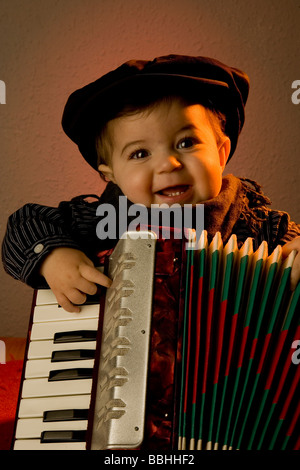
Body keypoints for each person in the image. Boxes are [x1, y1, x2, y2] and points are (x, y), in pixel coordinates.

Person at [2, 54, 300, 313]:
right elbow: (23, 225)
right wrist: (53, 256)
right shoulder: (104, 220)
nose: (168, 164)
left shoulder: (256, 223)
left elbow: (294, 244)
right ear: (111, 174)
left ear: (221, 154)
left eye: (186, 142)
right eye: (140, 153)